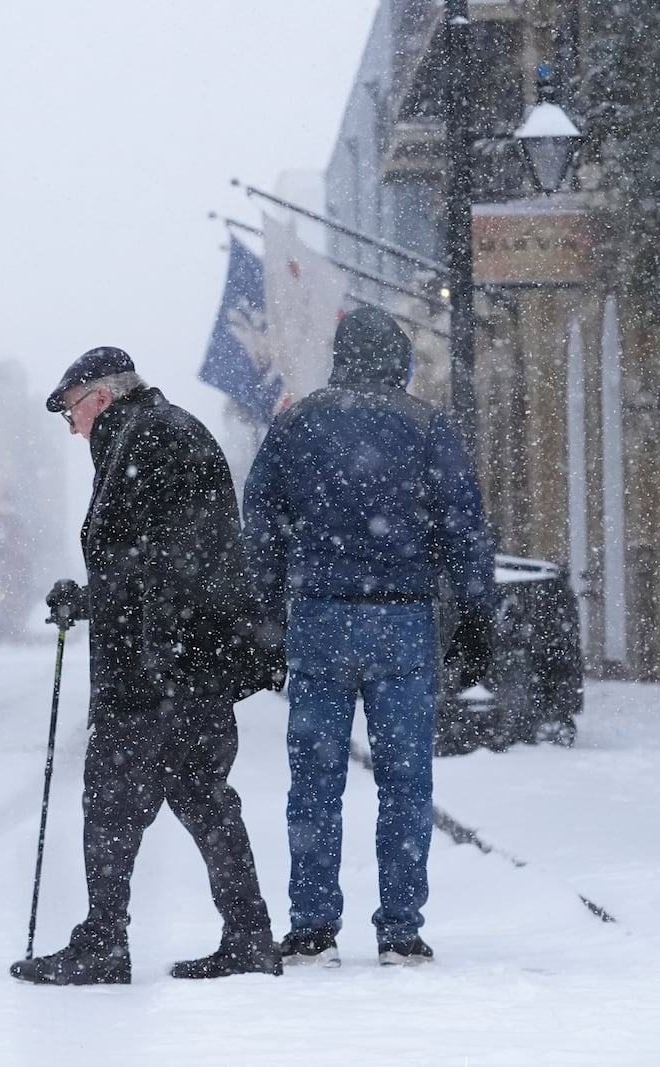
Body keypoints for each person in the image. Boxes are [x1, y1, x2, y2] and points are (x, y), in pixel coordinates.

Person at [9, 346, 283, 986]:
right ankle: (247, 935)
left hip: (159, 665)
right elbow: (161, 560)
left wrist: (99, 603)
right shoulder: (158, 432)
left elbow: (162, 565)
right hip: (187, 658)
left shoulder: (150, 440)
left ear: (100, 398)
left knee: (111, 799)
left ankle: (105, 942)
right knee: (200, 794)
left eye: (72, 410)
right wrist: (94, 598)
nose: (71, 426)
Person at [243, 305, 494, 969]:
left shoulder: (295, 423)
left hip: (319, 619)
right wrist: (474, 613)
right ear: (396, 360)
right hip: (401, 621)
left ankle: (313, 925)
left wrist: (265, 619)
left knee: (315, 782)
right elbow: (464, 523)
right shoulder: (425, 424)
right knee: (406, 782)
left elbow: (260, 524)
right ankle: (401, 930)